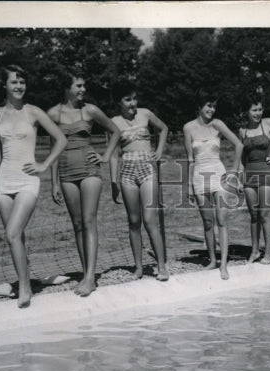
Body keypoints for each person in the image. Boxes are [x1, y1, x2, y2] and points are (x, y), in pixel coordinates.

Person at [0, 65, 67, 308]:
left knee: (11, 233)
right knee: (16, 236)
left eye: (22, 82)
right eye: (14, 82)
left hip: (28, 181)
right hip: (3, 183)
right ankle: (25, 280)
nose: (19, 86)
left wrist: (44, 165)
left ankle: (24, 287)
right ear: (5, 85)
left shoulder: (33, 112)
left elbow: (61, 139)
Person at [48, 69, 121, 297]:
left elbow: (115, 131)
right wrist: (54, 183)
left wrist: (106, 156)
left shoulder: (90, 110)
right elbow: (53, 150)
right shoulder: (52, 114)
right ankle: (85, 272)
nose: (83, 89)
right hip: (66, 173)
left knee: (89, 220)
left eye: (83, 85)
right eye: (78, 85)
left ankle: (90, 278)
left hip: (90, 170)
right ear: (66, 88)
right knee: (77, 224)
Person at [107, 82, 169, 280]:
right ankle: (139, 268)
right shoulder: (113, 122)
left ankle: (162, 266)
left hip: (147, 169)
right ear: (119, 102)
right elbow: (114, 155)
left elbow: (164, 128)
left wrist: (159, 150)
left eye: (134, 98)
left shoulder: (146, 114)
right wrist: (113, 182)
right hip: (126, 172)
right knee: (134, 221)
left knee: (150, 220)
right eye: (127, 99)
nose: (133, 103)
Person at [183, 94, 242, 280]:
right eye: (208, 106)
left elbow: (239, 144)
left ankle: (224, 263)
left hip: (219, 175)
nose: (211, 110)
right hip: (199, 177)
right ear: (200, 106)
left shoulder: (218, 124)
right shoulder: (188, 128)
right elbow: (190, 159)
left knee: (222, 220)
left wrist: (234, 171)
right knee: (208, 222)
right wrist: (188, 186)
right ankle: (212, 260)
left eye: (214, 106)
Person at [238, 99, 270, 265]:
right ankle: (254, 251)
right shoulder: (242, 130)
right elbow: (242, 156)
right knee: (253, 216)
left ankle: (268, 253)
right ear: (247, 111)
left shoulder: (268, 123)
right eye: (254, 110)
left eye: (260, 109)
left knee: (264, 214)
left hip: (266, 173)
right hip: (249, 174)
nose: (258, 113)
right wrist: (239, 177)